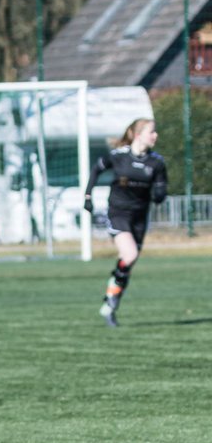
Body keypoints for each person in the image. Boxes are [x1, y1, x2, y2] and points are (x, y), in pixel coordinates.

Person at [83, 118, 167, 327]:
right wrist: (87, 196)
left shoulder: (156, 162)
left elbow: (160, 190)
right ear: (138, 135)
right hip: (118, 213)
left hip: (140, 217)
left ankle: (110, 304)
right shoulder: (119, 157)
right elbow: (96, 169)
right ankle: (111, 300)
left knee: (128, 263)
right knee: (129, 254)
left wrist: (159, 194)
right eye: (152, 132)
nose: (155, 136)